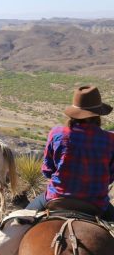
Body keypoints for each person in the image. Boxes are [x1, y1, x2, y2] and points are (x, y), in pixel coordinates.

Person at [26, 85, 114, 220]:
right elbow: (110, 176)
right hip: (96, 204)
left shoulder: (57, 134)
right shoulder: (110, 139)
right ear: (98, 114)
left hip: (57, 198)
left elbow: (47, 170)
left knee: (17, 221)